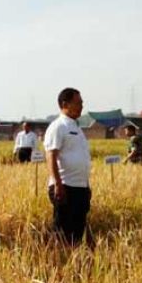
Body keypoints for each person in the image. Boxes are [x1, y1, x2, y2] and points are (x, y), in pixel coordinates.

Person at [44, 88, 92, 245]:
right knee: (62, 232)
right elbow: (51, 156)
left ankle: (74, 262)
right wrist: (58, 184)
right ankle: (58, 262)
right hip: (65, 186)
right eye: (78, 103)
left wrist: (86, 186)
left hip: (80, 187)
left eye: (82, 103)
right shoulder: (58, 126)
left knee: (78, 232)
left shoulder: (76, 128)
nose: (81, 106)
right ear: (65, 104)